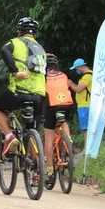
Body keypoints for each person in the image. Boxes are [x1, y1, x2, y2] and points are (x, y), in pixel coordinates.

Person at [0, 16, 47, 157]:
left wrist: (15, 72)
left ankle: (10, 136)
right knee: (32, 132)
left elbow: (4, 50)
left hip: (19, 92)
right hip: (39, 97)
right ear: (35, 34)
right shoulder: (41, 49)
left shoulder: (15, 42)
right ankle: (37, 170)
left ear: (18, 31)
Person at [42, 54, 75, 183]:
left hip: (52, 105)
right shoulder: (63, 75)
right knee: (63, 121)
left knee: (48, 138)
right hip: (66, 104)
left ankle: (50, 171)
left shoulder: (43, 77)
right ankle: (69, 143)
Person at [68, 57, 92, 150]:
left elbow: (78, 89)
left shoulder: (87, 76)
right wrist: (71, 83)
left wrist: (70, 84)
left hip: (85, 105)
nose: (76, 71)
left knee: (86, 129)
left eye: (76, 69)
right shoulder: (86, 76)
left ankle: (86, 150)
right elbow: (78, 87)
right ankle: (87, 150)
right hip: (84, 105)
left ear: (80, 67)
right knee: (87, 129)